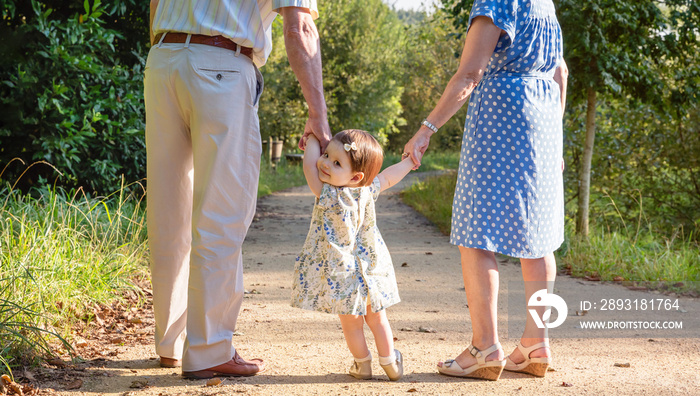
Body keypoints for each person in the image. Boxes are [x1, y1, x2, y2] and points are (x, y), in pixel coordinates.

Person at [144, 0, 332, 379]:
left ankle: (172, 342)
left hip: (162, 60)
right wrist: (318, 114)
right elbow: (299, 28)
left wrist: (175, 46)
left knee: (169, 212)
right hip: (221, 67)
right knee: (221, 214)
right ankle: (209, 349)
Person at [403, 0, 568, 381]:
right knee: (538, 237)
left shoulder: (497, 1)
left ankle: (485, 347)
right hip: (543, 119)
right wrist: (554, 140)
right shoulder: (545, 4)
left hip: (501, 118)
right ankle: (534, 344)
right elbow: (561, 71)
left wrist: (427, 128)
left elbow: (470, 74)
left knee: (478, 232)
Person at [291, 130, 414, 381]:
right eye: (326, 155)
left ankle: (362, 364)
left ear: (356, 176)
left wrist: (313, 137)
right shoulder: (367, 190)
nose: (324, 163)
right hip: (369, 267)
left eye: (336, 163)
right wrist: (409, 162)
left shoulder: (327, 194)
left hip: (341, 271)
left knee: (352, 324)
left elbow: (308, 168)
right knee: (378, 319)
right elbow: (388, 177)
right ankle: (390, 362)